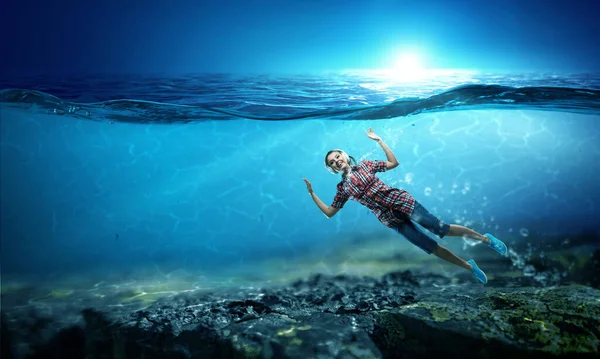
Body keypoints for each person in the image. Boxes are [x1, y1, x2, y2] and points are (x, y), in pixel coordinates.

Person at [302, 128, 507, 284]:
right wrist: (312, 193)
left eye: (337, 156)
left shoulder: (366, 165)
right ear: (332, 169)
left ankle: (485, 239)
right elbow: (329, 213)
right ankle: (469, 267)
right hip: (391, 220)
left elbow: (393, 163)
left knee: (441, 229)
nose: (336, 161)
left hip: (402, 202)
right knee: (430, 247)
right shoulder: (342, 189)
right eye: (332, 162)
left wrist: (379, 140)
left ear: (344, 155)